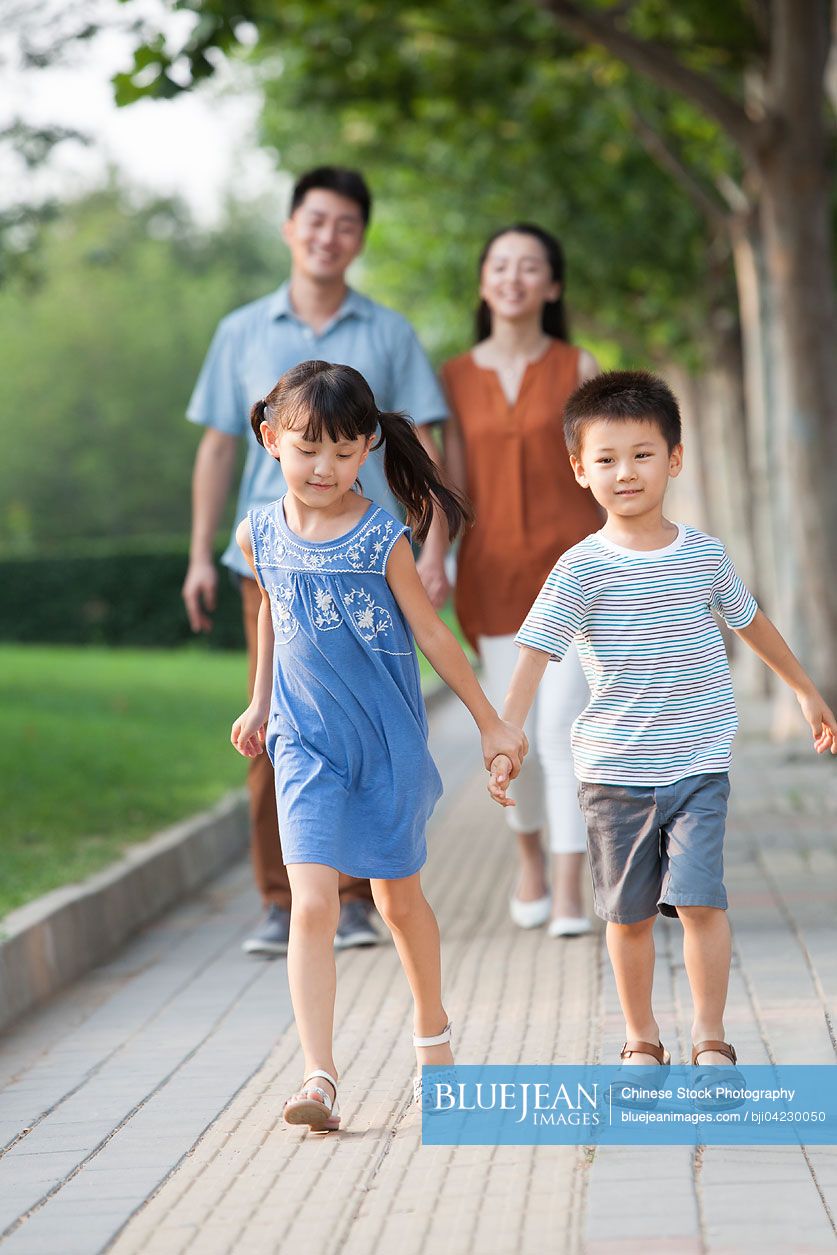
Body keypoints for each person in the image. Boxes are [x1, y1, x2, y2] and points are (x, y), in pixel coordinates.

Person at [489, 370, 836, 1096]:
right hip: (613, 770)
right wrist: (506, 730)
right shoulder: (580, 568)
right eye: (606, 458)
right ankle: (640, 1038)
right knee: (630, 914)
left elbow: (750, 623)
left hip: (699, 760)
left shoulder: (702, 554)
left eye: (642, 454)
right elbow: (535, 651)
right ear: (579, 469)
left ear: (674, 459)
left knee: (703, 900)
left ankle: (710, 1039)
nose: (626, 472)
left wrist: (803, 689)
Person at [230, 360, 527, 1131]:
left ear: (365, 448)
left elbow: (432, 632)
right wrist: (261, 701)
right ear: (270, 440)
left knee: (398, 901)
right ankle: (318, 1075)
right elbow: (270, 610)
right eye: (305, 449)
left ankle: (434, 1039)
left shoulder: (378, 535)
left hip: (384, 744)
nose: (321, 467)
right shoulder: (257, 531)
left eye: (340, 450)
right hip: (303, 746)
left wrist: (491, 720)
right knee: (313, 902)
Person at [183, 167, 451, 956]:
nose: (327, 235)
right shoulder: (240, 330)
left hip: (368, 563)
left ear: (360, 238)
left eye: (344, 224)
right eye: (315, 219)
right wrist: (202, 552)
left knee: (365, 723)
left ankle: (359, 895)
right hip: (271, 564)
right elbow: (215, 444)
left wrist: (437, 544)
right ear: (290, 227)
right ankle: (283, 897)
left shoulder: (389, 332)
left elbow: (420, 441)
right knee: (273, 723)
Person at [441, 224, 601, 938]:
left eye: (529, 266)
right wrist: (432, 561)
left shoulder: (579, 366)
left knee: (562, 728)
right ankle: (528, 855)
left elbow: (606, 469)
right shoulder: (449, 378)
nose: (512, 278)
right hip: (491, 581)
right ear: (483, 282)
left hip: (574, 575)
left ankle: (568, 882)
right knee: (515, 733)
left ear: (552, 285)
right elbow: (446, 486)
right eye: (499, 265)